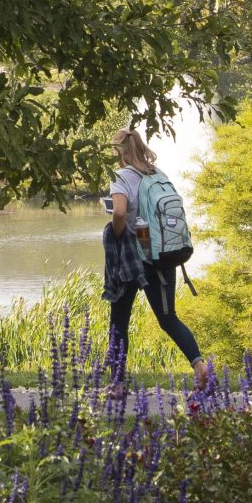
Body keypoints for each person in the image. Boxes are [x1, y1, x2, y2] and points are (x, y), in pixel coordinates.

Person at [103, 128, 204, 379]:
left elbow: (118, 212)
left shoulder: (121, 176)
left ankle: (116, 383)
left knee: (119, 320)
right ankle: (201, 367)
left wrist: (117, 235)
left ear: (119, 151)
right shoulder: (157, 173)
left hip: (131, 258)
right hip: (161, 254)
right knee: (169, 318)